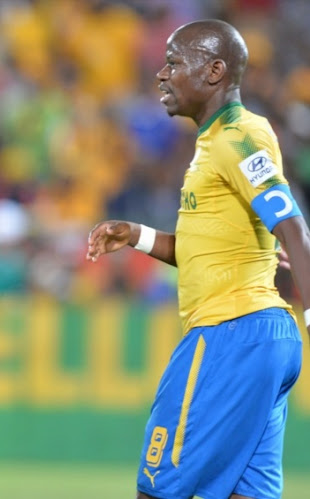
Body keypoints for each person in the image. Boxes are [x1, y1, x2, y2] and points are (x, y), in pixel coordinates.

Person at [86, 19, 310, 499]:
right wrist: (137, 236)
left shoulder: (236, 139)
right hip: (264, 339)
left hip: (229, 336)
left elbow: (292, 226)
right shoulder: (220, 142)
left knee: (158, 490)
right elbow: (205, 250)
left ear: (213, 71)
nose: (162, 75)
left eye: (174, 62)